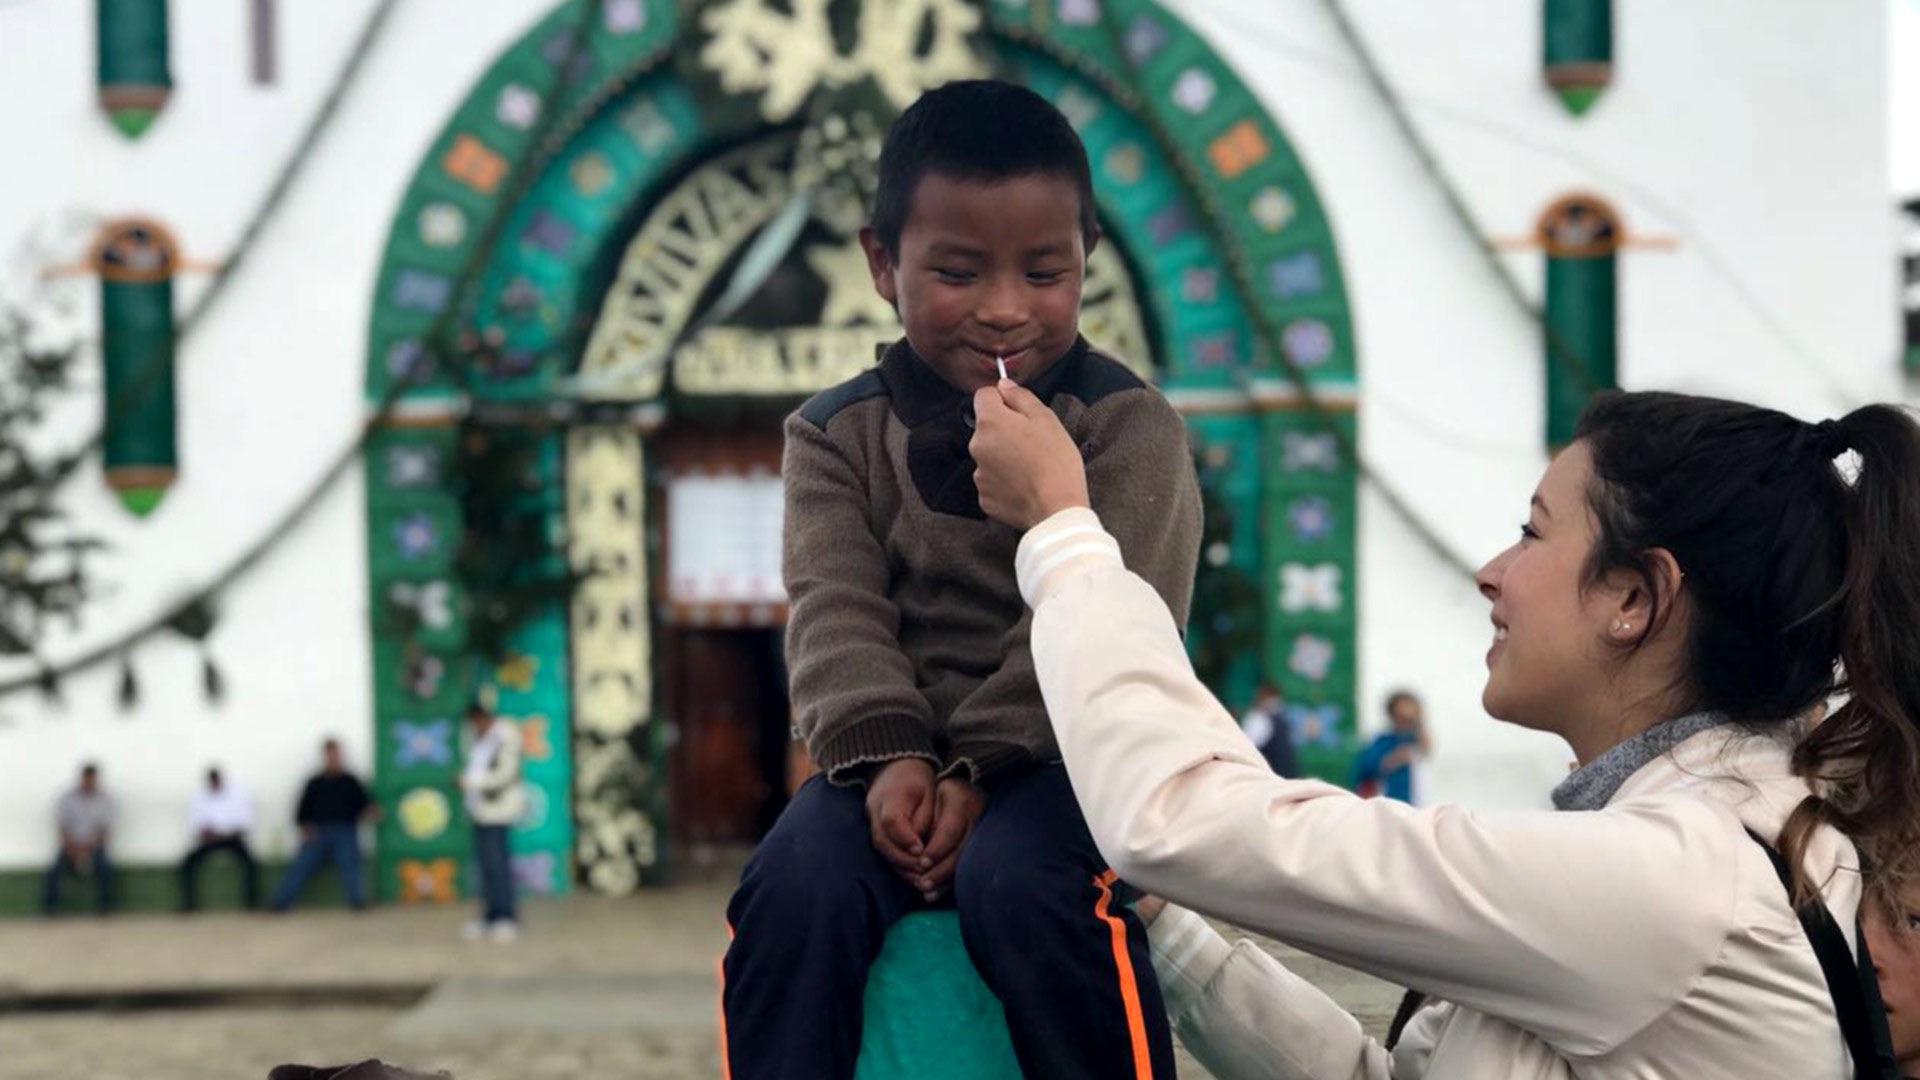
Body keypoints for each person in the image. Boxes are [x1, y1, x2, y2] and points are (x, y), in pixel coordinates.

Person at [970, 387, 1920, 1078]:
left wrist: (1063, 530)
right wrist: (1166, 924)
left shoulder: (1683, 881)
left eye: (1534, 533)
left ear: (1635, 598)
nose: (1492, 573)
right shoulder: (1713, 842)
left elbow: (1179, 819)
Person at [720, 79, 1203, 1079]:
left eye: (1044, 271)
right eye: (956, 271)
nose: (1002, 310)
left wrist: (982, 766)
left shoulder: (1127, 428)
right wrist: (887, 756)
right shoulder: (831, 435)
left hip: (1066, 755)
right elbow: (834, 612)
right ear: (880, 262)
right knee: (791, 890)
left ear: (1088, 260)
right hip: (881, 763)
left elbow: (1126, 619)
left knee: (1026, 884)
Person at [271, 738, 377, 912]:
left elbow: (365, 805)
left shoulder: (351, 781)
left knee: (351, 865)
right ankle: (280, 903)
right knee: (299, 867)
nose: (333, 758)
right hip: (317, 833)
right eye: (330, 755)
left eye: (336, 754)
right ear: (324, 756)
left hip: (345, 831)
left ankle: (357, 902)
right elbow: (301, 811)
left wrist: (370, 811)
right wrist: (305, 827)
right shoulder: (314, 783)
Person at [458, 702, 525, 943]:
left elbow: (506, 774)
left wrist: (472, 782)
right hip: (479, 811)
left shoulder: (505, 736)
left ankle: (506, 916)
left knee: (498, 866)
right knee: (485, 868)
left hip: (499, 812)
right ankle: (489, 916)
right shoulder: (475, 738)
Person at [179, 766, 259, 911]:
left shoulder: (238, 796)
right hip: (210, 841)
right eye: (212, 781)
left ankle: (251, 903)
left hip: (232, 839)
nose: (214, 784)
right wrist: (206, 833)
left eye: (216, 780)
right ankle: (189, 904)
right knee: (187, 863)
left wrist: (230, 833)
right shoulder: (199, 798)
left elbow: (244, 823)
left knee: (250, 864)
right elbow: (195, 824)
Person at [42, 762, 113, 915]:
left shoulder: (103, 799)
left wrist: (88, 850)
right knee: (53, 871)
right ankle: (49, 908)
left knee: (106, 869)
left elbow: (103, 830)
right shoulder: (67, 798)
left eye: (92, 779)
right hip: (70, 847)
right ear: (82, 778)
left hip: (93, 847)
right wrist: (72, 849)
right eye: (87, 778)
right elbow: (62, 827)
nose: (89, 782)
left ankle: (104, 908)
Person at [1352, 690, 1430, 803]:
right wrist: (1395, 758)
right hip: (1389, 805)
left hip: (1415, 807)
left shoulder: (1415, 741)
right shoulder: (1382, 742)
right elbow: (1366, 770)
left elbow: (1426, 749)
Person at [1238, 682, 1297, 777]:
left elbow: (1248, 746)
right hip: (1277, 773)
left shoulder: (1259, 717)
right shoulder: (1279, 716)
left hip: (1272, 773)